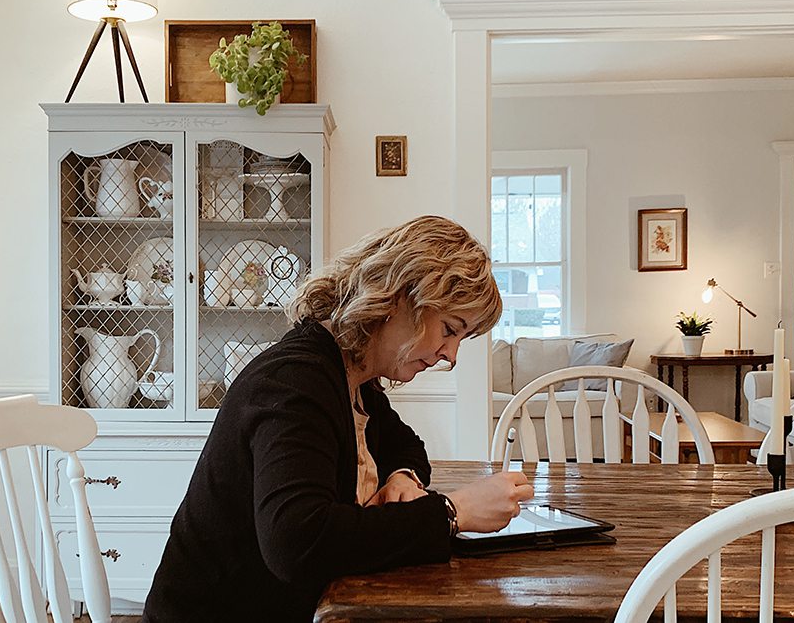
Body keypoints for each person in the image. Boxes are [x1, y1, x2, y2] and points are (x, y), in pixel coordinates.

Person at [141, 215, 534, 622]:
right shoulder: (296, 382)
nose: (450, 356)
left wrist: (402, 476)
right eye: (449, 330)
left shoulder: (353, 377)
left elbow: (406, 445)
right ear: (398, 297)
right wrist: (452, 512)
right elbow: (298, 542)